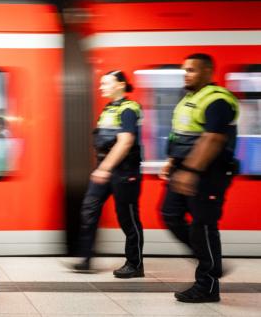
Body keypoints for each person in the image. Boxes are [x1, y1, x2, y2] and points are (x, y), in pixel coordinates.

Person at [160, 53, 239, 303]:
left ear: (207, 71)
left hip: (208, 173)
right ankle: (210, 261)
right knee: (170, 214)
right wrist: (172, 162)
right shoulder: (189, 100)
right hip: (184, 169)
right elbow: (181, 135)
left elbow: (213, 138)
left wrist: (191, 171)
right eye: (185, 70)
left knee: (202, 226)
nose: (186, 74)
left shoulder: (218, 100)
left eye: (191, 70)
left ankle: (207, 285)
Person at [71, 70, 145, 278]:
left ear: (120, 85)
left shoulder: (129, 109)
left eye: (106, 83)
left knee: (127, 218)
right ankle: (86, 258)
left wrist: (104, 169)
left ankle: (135, 264)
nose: (101, 86)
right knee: (89, 209)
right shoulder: (108, 108)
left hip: (124, 171)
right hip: (106, 168)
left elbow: (125, 141)